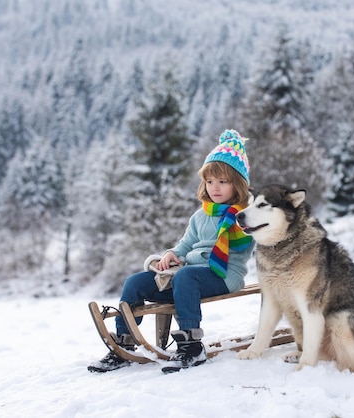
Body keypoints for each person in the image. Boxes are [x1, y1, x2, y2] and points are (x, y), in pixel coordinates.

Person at [88, 129, 254, 374]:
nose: (214, 188)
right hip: (189, 278)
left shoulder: (243, 215)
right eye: (209, 181)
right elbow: (185, 246)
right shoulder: (201, 216)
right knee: (135, 282)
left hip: (224, 274)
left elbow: (245, 244)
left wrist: (236, 221)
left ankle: (191, 346)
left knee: (186, 277)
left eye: (223, 182)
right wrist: (170, 255)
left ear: (237, 184)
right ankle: (124, 343)